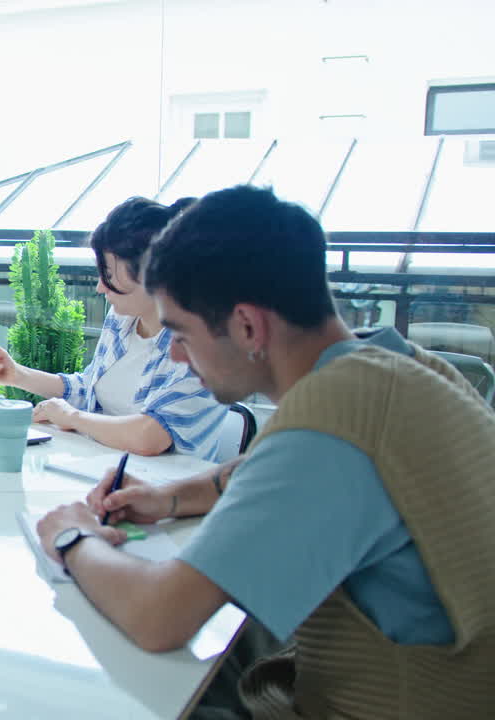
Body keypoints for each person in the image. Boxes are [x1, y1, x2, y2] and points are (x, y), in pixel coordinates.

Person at [35, 185, 495, 718]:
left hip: (375, 701)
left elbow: (158, 617)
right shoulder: (400, 367)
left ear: (248, 326)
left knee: (101, 690)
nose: (178, 358)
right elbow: (267, 464)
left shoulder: (331, 422)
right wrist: (168, 499)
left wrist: (73, 536)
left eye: (181, 334)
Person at [0, 197, 227, 460]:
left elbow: (150, 436)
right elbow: (88, 387)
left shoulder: (204, 345)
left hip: (159, 490)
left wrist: (72, 417)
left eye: (108, 274)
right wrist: (17, 375)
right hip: (101, 467)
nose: (100, 287)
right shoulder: (121, 320)